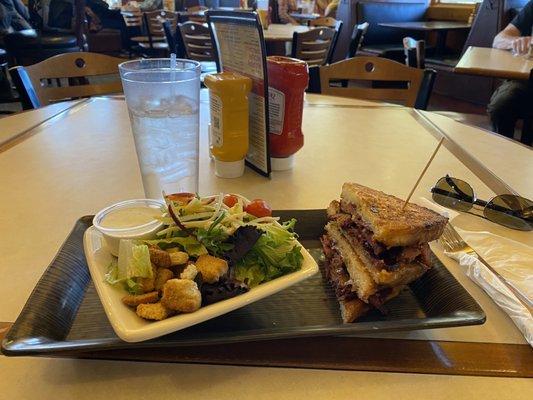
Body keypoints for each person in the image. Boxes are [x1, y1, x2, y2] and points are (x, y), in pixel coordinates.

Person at [488, 0, 533, 138]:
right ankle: (504, 153)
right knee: (502, 104)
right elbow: (498, 39)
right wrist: (516, 42)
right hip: (527, 78)